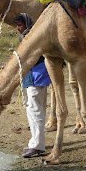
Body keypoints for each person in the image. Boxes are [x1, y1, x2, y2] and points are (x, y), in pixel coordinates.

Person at [13, 13, 51, 158]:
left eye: (20, 25)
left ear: (27, 24)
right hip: (34, 77)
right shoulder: (29, 37)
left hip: (37, 76)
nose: (18, 28)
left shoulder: (32, 38)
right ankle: (35, 142)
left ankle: (37, 146)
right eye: (17, 26)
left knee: (35, 111)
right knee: (35, 110)